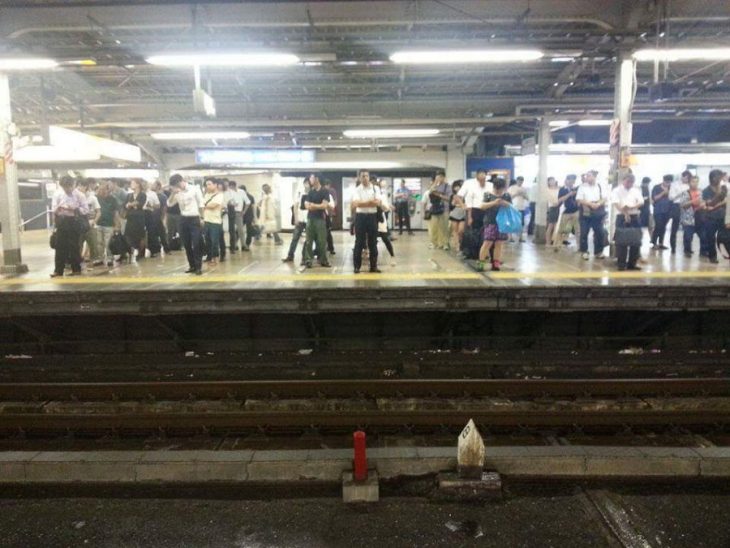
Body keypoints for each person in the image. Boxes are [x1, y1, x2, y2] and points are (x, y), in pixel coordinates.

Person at [50, 175, 88, 277]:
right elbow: (54, 209)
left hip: (74, 221)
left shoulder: (80, 195)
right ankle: (58, 271)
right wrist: (58, 210)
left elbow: (85, 210)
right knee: (60, 247)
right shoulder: (57, 194)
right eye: (65, 187)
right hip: (62, 221)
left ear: (74, 184)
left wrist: (74, 209)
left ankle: (76, 269)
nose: (67, 189)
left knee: (74, 246)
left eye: (69, 186)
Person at [168, 174, 203, 275]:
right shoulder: (176, 193)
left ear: (182, 180)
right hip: (183, 219)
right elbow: (169, 204)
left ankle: (198, 266)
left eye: (178, 184)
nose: (178, 187)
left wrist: (202, 218)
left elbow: (201, 203)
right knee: (187, 244)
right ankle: (192, 265)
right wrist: (172, 194)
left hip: (195, 218)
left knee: (196, 243)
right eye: (175, 186)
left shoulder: (195, 189)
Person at [477, 178, 511, 272]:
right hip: (490, 222)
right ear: (494, 187)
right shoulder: (488, 195)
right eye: (497, 189)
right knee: (487, 243)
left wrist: (505, 203)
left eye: (501, 189)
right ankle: (481, 263)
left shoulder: (507, 196)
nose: (499, 191)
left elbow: (511, 207)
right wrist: (494, 203)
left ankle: (496, 263)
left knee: (499, 243)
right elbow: (482, 206)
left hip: (502, 223)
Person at [611, 173, 643, 271]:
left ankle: (632, 264)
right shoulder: (616, 190)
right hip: (621, 217)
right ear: (623, 180)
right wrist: (625, 213)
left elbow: (641, 202)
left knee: (636, 242)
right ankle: (621, 264)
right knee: (621, 242)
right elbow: (616, 204)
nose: (629, 184)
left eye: (631, 182)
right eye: (628, 182)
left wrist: (631, 207)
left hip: (634, 216)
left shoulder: (636, 190)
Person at [351, 169, 382, 274]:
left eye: (366, 176)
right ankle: (356, 267)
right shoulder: (357, 189)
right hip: (360, 217)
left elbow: (377, 203)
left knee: (373, 243)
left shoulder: (375, 188)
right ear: (360, 178)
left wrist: (363, 203)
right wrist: (370, 202)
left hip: (372, 217)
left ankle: (373, 266)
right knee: (359, 242)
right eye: (363, 176)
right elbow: (355, 204)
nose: (365, 178)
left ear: (369, 177)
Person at [303, 175, 333, 269]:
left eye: (311, 178)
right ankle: (308, 260)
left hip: (320, 219)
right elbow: (306, 205)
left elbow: (324, 206)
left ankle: (323, 260)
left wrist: (313, 205)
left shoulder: (324, 191)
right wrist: (315, 205)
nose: (310, 180)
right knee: (308, 240)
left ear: (316, 179)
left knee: (322, 241)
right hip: (310, 219)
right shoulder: (311, 192)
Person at [576, 169, 607, 260]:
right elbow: (579, 199)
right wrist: (590, 204)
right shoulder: (582, 187)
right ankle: (584, 251)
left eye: (589, 176)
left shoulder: (600, 186)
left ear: (594, 177)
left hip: (598, 212)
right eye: (586, 176)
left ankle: (598, 252)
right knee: (584, 232)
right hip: (585, 212)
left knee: (599, 233)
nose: (587, 178)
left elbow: (604, 198)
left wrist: (598, 204)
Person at [701, 169, 727, 264]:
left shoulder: (724, 188)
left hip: (723, 217)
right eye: (719, 177)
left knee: (725, 237)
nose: (721, 179)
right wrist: (718, 196)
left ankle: (726, 254)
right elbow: (709, 204)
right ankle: (712, 256)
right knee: (710, 238)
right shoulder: (706, 191)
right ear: (713, 178)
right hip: (710, 218)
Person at [284, 177, 311, 264]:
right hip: (300, 219)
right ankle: (290, 255)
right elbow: (295, 206)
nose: (307, 185)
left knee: (308, 239)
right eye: (305, 183)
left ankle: (305, 257)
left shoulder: (313, 193)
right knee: (295, 238)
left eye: (308, 183)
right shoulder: (299, 193)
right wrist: (295, 218)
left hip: (309, 219)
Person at [95, 182, 121, 267]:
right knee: (99, 243)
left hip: (109, 224)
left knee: (108, 243)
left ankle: (110, 258)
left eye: (104, 189)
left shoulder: (113, 199)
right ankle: (100, 258)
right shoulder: (96, 198)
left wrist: (117, 225)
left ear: (107, 190)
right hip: (98, 224)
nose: (102, 191)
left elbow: (116, 213)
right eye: (100, 189)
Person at [667, 170, 691, 254]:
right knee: (674, 228)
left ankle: (687, 248)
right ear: (682, 176)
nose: (686, 179)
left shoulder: (690, 185)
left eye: (688, 178)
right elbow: (670, 197)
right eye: (685, 177)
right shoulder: (674, 185)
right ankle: (673, 247)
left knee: (687, 228)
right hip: (676, 206)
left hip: (688, 207)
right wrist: (680, 194)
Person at [77, 178, 101, 266]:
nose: (79, 188)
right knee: (78, 243)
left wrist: (94, 222)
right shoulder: (76, 198)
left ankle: (95, 260)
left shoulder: (92, 198)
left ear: (86, 187)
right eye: (78, 186)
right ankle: (77, 259)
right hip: (79, 225)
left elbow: (98, 212)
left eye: (81, 186)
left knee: (93, 243)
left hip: (90, 224)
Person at [679, 175, 704, 258]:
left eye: (697, 182)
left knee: (703, 236)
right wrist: (693, 201)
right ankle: (687, 251)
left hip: (700, 218)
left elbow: (705, 202)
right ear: (689, 183)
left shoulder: (701, 192)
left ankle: (703, 252)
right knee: (688, 237)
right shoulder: (685, 193)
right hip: (688, 219)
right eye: (693, 182)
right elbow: (683, 205)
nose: (695, 184)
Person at [202, 179, 225, 265]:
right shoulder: (207, 194)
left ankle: (215, 259)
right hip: (206, 220)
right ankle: (209, 257)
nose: (207, 186)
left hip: (215, 221)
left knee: (214, 241)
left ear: (215, 185)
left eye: (209, 184)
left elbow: (213, 205)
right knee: (207, 240)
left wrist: (204, 205)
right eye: (206, 185)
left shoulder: (220, 195)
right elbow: (204, 205)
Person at [124, 179, 147, 261]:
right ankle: (130, 251)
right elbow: (125, 205)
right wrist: (132, 205)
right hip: (130, 217)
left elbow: (140, 203)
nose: (131, 184)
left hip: (139, 218)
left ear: (138, 184)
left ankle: (141, 252)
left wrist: (131, 204)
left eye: (133, 183)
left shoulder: (142, 195)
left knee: (140, 235)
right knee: (128, 235)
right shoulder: (129, 195)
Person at [427, 171, 451, 250]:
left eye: (440, 176)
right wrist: (434, 184)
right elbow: (430, 194)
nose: (439, 178)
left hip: (444, 209)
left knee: (444, 227)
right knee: (434, 227)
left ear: (443, 177)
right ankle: (434, 243)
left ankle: (445, 243)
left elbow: (449, 198)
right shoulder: (434, 186)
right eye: (437, 176)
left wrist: (439, 195)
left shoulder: (447, 186)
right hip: (435, 209)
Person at [556, 174, 580, 248]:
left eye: (573, 181)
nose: (572, 182)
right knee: (561, 229)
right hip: (566, 211)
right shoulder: (562, 189)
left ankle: (579, 246)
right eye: (570, 180)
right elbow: (559, 200)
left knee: (578, 230)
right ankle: (558, 244)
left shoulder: (576, 189)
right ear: (566, 180)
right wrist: (569, 194)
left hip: (576, 211)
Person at [376, 178, 396, 266]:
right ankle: (373, 260)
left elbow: (385, 207)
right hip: (371, 219)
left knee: (385, 238)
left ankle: (392, 256)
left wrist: (386, 206)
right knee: (371, 240)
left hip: (380, 219)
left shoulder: (381, 195)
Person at [651, 175, 673, 250]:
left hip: (667, 211)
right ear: (663, 180)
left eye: (669, 182)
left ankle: (661, 243)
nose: (667, 184)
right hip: (658, 210)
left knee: (663, 227)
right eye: (666, 182)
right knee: (658, 226)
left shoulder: (671, 188)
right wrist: (664, 193)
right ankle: (654, 242)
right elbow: (654, 198)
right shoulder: (656, 187)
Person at [145, 181, 166, 257]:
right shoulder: (144, 194)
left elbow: (163, 207)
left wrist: (163, 217)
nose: (151, 186)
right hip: (146, 216)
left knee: (159, 233)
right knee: (151, 233)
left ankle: (164, 248)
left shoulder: (161, 196)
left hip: (156, 216)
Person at [508, 176, 529, 243]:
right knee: (511, 222)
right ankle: (510, 237)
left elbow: (527, 198)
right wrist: (516, 194)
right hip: (513, 207)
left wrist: (523, 195)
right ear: (516, 181)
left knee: (521, 223)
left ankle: (520, 238)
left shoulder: (524, 189)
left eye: (521, 181)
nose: (520, 182)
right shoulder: (511, 188)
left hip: (521, 208)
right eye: (519, 180)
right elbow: (508, 197)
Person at [449, 180, 466, 252]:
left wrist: (458, 204)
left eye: (458, 186)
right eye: (455, 186)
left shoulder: (465, 195)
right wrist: (455, 203)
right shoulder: (452, 196)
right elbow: (451, 206)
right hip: (454, 215)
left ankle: (461, 243)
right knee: (455, 231)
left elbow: (466, 205)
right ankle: (457, 245)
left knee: (461, 230)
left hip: (463, 215)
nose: (457, 188)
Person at [322, 179, 337, 255]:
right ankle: (323, 249)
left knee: (327, 232)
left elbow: (333, 204)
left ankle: (330, 248)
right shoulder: (319, 193)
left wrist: (325, 205)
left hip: (327, 215)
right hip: (320, 216)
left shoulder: (331, 193)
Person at [545, 176, 560, 247]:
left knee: (556, 226)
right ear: (548, 182)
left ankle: (554, 241)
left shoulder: (558, 189)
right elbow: (550, 199)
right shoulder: (547, 190)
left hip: (559, 207)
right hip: (552, 208)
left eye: (553, 180)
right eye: (550, 181)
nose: (552, 182)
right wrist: (555, 202)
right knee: (550, 225)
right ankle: (548, 242)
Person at [241, 185, 256, 250]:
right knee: (244, 230)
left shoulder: (249, 197)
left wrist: (254, 217)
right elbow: (253, 207)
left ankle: (246, 245)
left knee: (247, 231)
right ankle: (246, 245)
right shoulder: (250, 196)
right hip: (245, 216)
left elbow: (253, 207)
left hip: (246, 215)